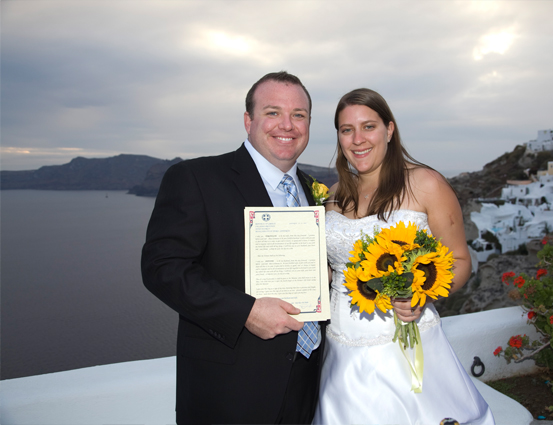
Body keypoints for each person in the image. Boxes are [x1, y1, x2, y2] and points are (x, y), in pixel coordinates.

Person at [141, 71, 325, 424]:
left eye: (298, 115)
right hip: (229, 397)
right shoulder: (197, 178)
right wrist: (246, 312)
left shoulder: (313, 189)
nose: (287, 124)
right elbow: (161, 267)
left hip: (305, 394)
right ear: (248, 120)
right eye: (272, 112)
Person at [312, 88, 495, 425]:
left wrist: (421, 293)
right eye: (346, 129)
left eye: (369, 126)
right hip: (340, 352)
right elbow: (327, 271)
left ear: (389, 130)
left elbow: (460, 260)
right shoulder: (334, 196)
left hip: (407, 347)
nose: (357, 139)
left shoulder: (426, 184)